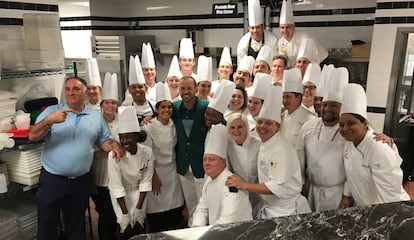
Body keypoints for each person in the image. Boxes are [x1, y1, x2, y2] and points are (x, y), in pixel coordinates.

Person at [29, 76, 123, 240]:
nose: (71, 92)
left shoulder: (95, 116)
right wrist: (49, 121)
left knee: (77, 224)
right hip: (53, 179)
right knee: (47, 223)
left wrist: (114, 145)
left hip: (81, 181)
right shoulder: (52, 111)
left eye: (76, 89)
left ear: (85, 92)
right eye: (68, 89)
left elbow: (104, 141)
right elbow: (32, 136)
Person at [226, 85, 310, 219]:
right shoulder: (266, 143)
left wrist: (244, 185)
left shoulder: (280, 149)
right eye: (260, 122)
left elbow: (276, 187)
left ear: (278, 126)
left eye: (268, 123)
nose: (262, 126)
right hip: (271, 207)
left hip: (286, 211)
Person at [339, 83, 410, 208]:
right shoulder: (348, 144)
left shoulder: (378, 148)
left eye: (351, 123)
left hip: (388, 210)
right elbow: (351, 173)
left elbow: (391, 195)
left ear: (364, 123)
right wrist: (346, 195)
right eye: (341, 124)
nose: (345, 128)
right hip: (365, 208)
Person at [296, 66, 348, 212]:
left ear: (342, 107)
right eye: (325, 104)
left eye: (334, 105)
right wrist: (301, 184)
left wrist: (347, 195)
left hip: (337, 194)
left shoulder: (347, 131)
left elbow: (353, 167)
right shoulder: (309, 126)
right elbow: (299, 158)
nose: (327, 109)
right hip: (310, 190)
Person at [141, 83, 185, 232]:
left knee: (174, 205)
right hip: (156, 170)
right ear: (157, 109)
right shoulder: (148, 126)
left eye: (169, 107)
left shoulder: (175, 124)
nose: (167, 110)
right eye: (163, 107)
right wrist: (153, 176)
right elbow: (147, 154)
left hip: (172, 171)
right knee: (157, 206)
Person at [108, 106, 154, 239]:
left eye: (128, 137)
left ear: (136, 136)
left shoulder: (146, 152)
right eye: (121, 138)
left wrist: (139, 209)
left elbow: (146, 181)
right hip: (120, 197)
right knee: (124, 229)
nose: (124, 142)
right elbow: (116, 186)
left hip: (139, 194)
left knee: (140, 229)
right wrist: (125, 213)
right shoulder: (114, 156)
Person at [192, 124, 252, 226]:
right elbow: (202, 209)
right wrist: (196, 227)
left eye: (212, 159)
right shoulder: (209, 181)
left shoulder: (231, 183)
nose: (206, 163)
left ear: (223, 162)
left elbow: (227, 221)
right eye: (205, 159)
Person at [172, 76, 209, 226]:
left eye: (189, 88)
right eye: (183, 88)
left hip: (201, 163)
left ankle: (204, 228)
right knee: (190, 200)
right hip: (183, 163)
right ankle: (193, 228)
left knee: (204, 201)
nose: (186, 92)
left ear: (195, 89)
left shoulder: (205, 107)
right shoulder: (174, 107)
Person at [91, 72, 119, 240]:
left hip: (118, 176)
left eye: (114, 103)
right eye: (107, 102)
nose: (110, 106)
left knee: (116, 212)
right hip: (99, 176)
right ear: (102, 104)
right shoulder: (93, 122)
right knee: (104, 213)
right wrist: (107, 152)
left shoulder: (122, 121)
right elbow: (89, 152)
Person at [226, 113, 261, 217]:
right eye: (232, 127)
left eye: (240, 127)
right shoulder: (228, 145)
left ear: (246, 127)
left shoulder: (258, 144)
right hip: (240, 193)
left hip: (259, 194)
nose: (236, 131)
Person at [278, 0, 327, 68]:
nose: (285, 30)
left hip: (321, 61)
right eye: (282, 27)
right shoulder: (281, 42)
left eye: (288, 27)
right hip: (303, 65)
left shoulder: (304, 37)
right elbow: (283, 58)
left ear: (293, 27)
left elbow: (314, 58)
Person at [280, 68, 316, 148]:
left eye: (288, 97)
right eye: (283, 97)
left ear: (299, 97)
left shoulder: (310, 119)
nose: (285, 100)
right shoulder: (280, 117)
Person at [122, 55, 156, 124]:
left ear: (146, 88)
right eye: (133, 87)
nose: (137, 90)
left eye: (140, 87)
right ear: (129, 90)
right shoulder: (125, 108)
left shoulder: (155, 106)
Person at [246, 73, 272, 137]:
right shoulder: (244, 121)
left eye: (256, 103)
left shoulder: (270, 122)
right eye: (250, 101)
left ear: (263, 104)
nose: (251, 105)